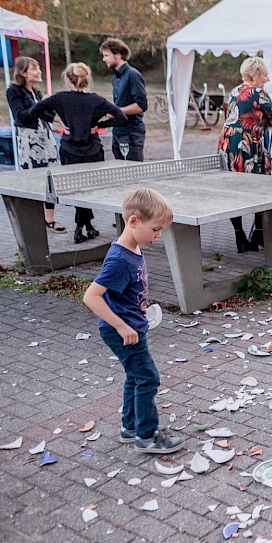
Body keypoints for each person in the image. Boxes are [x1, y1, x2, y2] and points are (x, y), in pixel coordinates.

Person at [82, 188, 184, 454]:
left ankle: (130, 427)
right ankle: (147, 435)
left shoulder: (133, 248)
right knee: (148, 378)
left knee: (135, 377)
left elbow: (126, 291)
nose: (158, 235)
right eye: (155, 229)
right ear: (134, 221)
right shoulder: (119, 259)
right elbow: (91, 297)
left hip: (133, 327)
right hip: (123, 332)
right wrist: (121, 324)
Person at [27, 63, 126, 244]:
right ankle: (84, 226)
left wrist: (54, 119)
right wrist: (99, 126)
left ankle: (83, 225)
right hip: (93, 150)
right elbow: (121, 117)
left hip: (69, 149)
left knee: (76, 189)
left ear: (67, 79)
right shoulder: (96, 100)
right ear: (87, 79)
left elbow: (34, 111)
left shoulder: (60, 98)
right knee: (88, 189)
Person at [218, 57, 272, 253]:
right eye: (264, 74)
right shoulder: (258, 93)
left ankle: (240, 235)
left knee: (235, 189)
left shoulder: (235, 91)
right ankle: (258, 232)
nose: (267, 78)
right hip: (248, 144)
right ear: (254, 75)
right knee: (260, 186)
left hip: (229, 144)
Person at [6, 56, 64, 233]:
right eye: (34, 68)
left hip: (46, 139)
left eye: (39, 68)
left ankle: (50, 219)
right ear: (23, 73)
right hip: (29, 141)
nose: (39, 71)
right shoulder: (14, 91)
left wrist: (59, 120)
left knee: (50, 179)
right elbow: (20, 115)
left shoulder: (37, 93)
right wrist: (39, 106)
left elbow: (44, 115)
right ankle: (33, 220)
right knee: (34, 179)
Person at [100, 38, 147, 162]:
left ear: (118, 55)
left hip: (132, 133)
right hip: (118, 132)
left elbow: (142, 105)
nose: (104, 59)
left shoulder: (133, 75)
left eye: (106, 55)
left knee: (133, 172)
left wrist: (117, 111)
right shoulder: (116, 78)